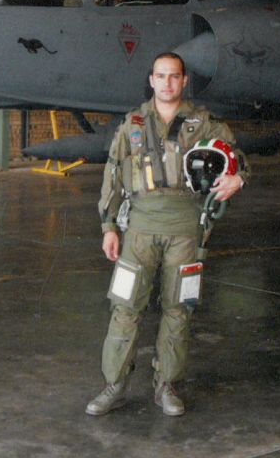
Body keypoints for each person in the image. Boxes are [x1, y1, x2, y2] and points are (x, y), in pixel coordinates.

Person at [86, 52, 248, 417]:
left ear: (184, 81)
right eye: (161, 76)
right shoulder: (132, 124)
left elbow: (238, 159)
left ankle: (167, 386)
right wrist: (109, 227)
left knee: (179, 309)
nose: (167, 83)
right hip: (139, 228)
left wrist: (237, 178)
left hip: (185, 229)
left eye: (174, 76)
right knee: (125, 307)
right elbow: (113, 175)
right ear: (152, 80)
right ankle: (114, 385)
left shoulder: (204, 124)